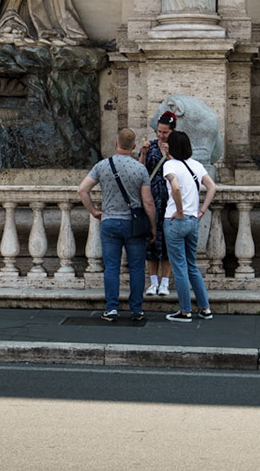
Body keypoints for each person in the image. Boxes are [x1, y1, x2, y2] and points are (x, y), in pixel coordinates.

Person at [76, 127, 156, 321]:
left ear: (115, 143)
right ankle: (136, 309)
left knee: (112, 267)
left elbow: (82, 190)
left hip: (110, 222)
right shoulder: (140, 169)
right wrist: (153, 227)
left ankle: (111, 308)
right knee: (136, 268)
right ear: (134, 146)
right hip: (134, 225)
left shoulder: (102, 165)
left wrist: (94, 211)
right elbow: (148, 202)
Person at [161, 130, 216, 323]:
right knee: (192, 265)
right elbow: (212, 187)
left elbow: (175, 187)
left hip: (175, 221)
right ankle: (205, 307)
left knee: (179, 267)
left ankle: (185, 311)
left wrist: (179, 210)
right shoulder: (196, 165)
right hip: (193, 221)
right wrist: (201, 210)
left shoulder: (169, 165)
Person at [138, 112, 178, 297]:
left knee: (168, 241)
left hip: (170, 200)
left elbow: (180, 169)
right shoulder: (151, 146)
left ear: (172, 131)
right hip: (152, 199)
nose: (161, 135)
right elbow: (140, 170)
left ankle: (165, 282)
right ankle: (153, 282)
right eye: (159, 131)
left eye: (165, 132)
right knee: (152, 241)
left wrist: (167, 155)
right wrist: (143, 153)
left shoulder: (178, 147)